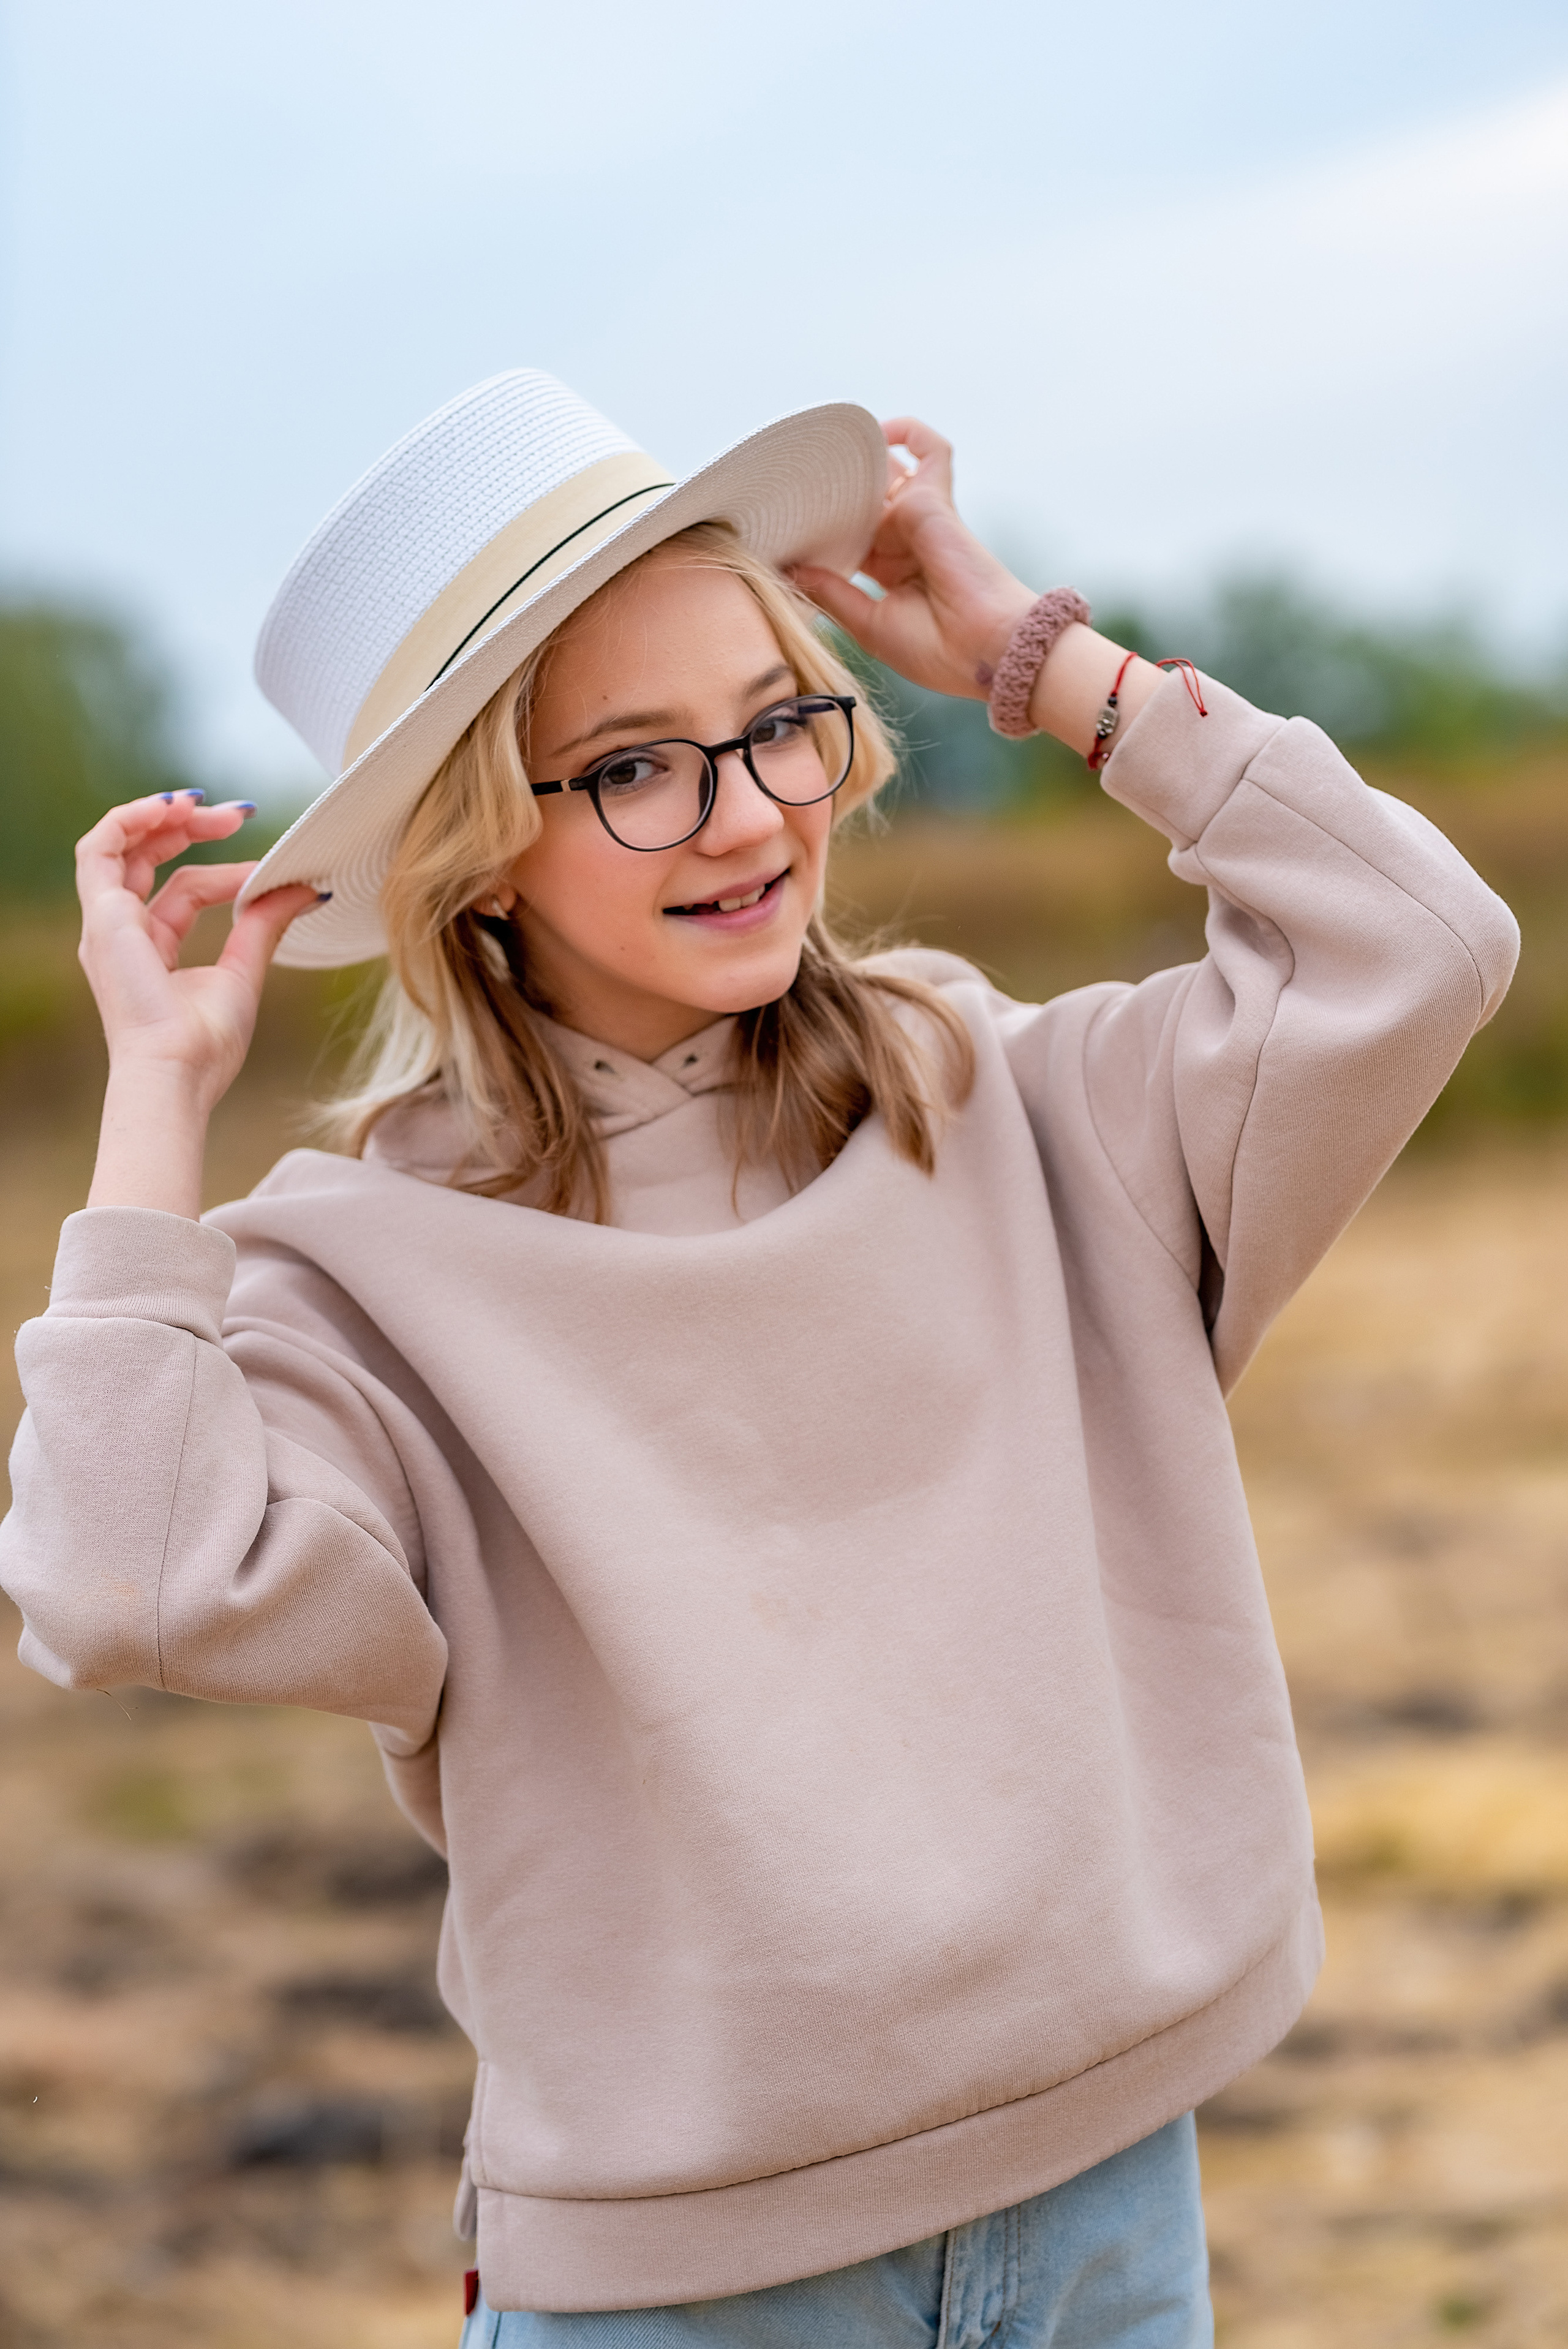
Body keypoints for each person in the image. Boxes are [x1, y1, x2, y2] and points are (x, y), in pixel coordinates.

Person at [0, 371, 1518, 2347]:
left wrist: (1039, 661)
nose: (746, 816)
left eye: (777, 722)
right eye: (635, 765)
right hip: (684, 2290)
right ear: (478, 848)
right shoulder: (362, 1280)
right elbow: (117, 1581)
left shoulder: (1009, 1097)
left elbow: (1420, 940)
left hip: (1110, 2209)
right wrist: (158, 1094)